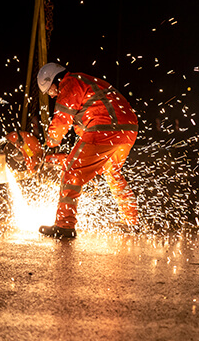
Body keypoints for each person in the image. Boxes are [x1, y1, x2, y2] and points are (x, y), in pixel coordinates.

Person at [37, 62, 139, 239]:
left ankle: (64, 225)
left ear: (52, 80)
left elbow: (62, 118)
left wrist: (50, 142)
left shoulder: (69, 83)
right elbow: (84, 127)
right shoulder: (86, 81)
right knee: (111, 172)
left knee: (71, 170)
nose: (53, 95)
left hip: (105, 129)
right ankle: (131, 221)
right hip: (128, 130)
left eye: (51, 91)